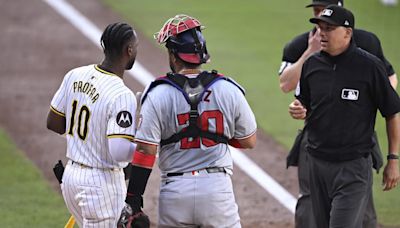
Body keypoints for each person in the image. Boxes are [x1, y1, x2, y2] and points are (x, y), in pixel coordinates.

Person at [117, 14, 257, 228]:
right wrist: (213, 133)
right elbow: (248, 141)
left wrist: (134, 199)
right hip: (217, 191)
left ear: (174, 56)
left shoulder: (157, 93)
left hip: (175, 192)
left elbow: (146, 150)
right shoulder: (228, 89)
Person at [279, 1, 398, 227]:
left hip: (352, 166)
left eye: (329, 28)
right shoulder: (311, 64)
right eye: (320, 27)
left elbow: (392, 112)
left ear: (348, 32)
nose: (322, 34)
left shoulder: (370, 66)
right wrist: (297, 109)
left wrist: (393, 159)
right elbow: (303, 102)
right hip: (316, 162)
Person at [46, 22, 139, 227]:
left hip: (71, 179)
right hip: (100, 188)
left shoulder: (75, 75)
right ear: (129, 50)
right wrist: (145, 145)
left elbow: (53, 122)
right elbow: (120, 152)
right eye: (136, 47)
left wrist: (89, 137)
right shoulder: (122, 94)